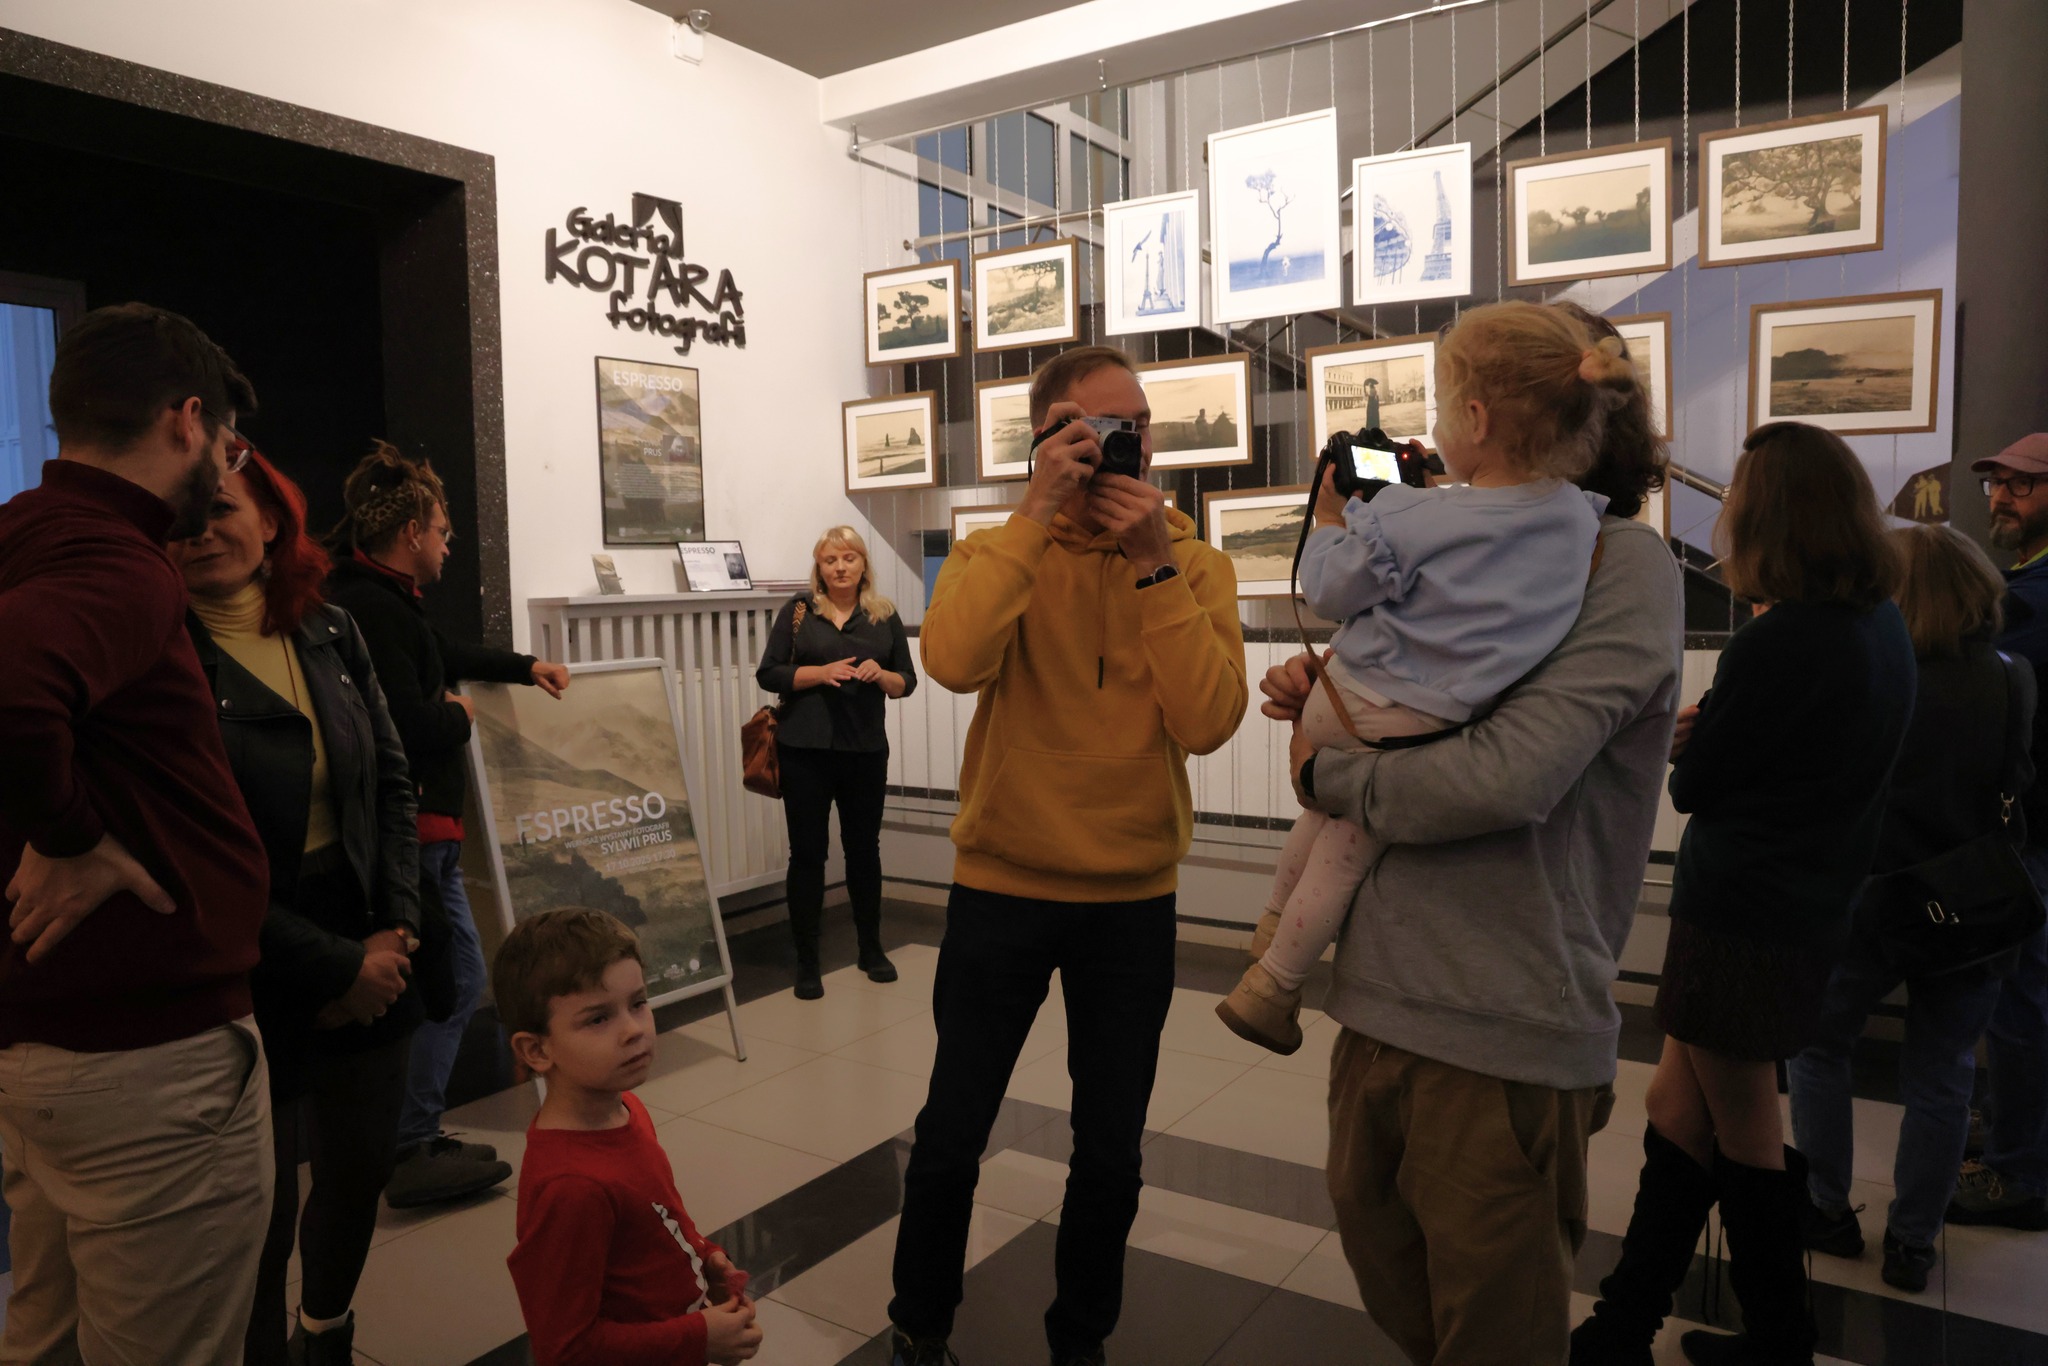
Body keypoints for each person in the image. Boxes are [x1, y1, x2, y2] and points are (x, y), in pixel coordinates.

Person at [1265, 301, 1681, 1366]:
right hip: (1381, 998)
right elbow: (1436, 679)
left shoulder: (1619, 562)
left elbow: (1506, 776)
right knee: (1399, 1286)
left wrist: (1327, 767)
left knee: (1493, 1331)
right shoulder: (1463, 534)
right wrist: (1338, 688)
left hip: (1502, 1017)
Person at [887, 345, 1247, 1366]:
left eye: (1139, 425)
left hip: (1131, 897)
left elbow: (1210, 721)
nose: (1131, 446)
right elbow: (951, 662)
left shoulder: (1194, 563)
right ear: (1047, 438)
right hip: (1001, 882)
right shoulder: (997, 550)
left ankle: (1078, 1341)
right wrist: (1034, 516)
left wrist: (1151, 565)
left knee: (1110, 1151)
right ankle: (919, 1326)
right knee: (951, 1132)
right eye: (1101, 429)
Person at [1575, 421, 1914, 1366]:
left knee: (1747, 1135)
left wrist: (1697, 735)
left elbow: (1695, 786)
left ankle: (1776, 1342)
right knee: (1677, 1113)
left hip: (1739, 919)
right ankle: (1623, 1325)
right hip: (1802, 909)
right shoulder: (1881, 623)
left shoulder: (1780, 639)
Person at [1218, 302, 1628, 1053]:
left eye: (1440, 409)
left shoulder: (1416, 515)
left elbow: (1329, 590)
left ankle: (1271, 959)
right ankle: (1274, 975)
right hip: (1422, 716)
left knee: (1332, 828)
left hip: (1357, 702)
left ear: (1474, 418)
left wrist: (1334, 519)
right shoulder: (1581, 521)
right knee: (1343, 839)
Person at [0, 302, 274, 1362]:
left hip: (58, 1036)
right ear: (186, 420)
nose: (223, 472)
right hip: (145, 1064)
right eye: (228, 447)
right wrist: (70, 834)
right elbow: (12, 695)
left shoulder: (27, 532)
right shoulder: (116, 560)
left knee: (49, 1336)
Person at [170, 451, 424, 1365]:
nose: (198, 532)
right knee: (260, 1207)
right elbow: (188, 857)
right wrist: (337, 967)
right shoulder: (156, 651)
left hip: (363, 922)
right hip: (243, 948)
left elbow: (391, 782)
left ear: (271, 521)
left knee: (358, 1172)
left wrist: (395, 929)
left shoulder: (328, 627)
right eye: (178, 516)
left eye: (218, 509)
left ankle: (326, 1335)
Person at [1788, 524, 2037, 1293]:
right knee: (1943, 1071)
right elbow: (2016, 781)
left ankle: (1827, 1207)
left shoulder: (1867, 675)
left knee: (1818, 1048)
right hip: (1971, 901)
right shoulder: (2012, 676)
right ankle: (1913, 1244)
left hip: (1867, 898)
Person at [325, 441, 569, 1208]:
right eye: (441, 531)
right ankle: (409, 1143)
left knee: (445, 978)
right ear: (411, 535)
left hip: (425, 831)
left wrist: (524, 666)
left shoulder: (379, 599)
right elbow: (403, 722)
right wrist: (457, 715)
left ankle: (405, 1136)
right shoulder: (374, 608)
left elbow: (442, 651)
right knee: (458, 977)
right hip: (417, 832)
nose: (447, 545)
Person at [499, 908, 761, 1366]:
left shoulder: (626, 1109)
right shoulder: (571, 1188)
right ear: (537, 1050)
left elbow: (661, 1216)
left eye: (638, 1003)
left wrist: (705, 1256)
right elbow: (567, 1349)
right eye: (598, 1019)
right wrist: (697, 1338)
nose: (634, 1029)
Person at [754, 525, 918, 998]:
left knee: (864, 850)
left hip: (864, 751)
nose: (841, 567)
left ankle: (871, 949)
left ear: (863, 564)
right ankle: (807, 961)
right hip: (804, 751)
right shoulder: (799, 611)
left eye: (849, 558)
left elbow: (906, 681)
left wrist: (881, 674)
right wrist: (818, 672)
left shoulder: (883, 615)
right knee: (808, 855)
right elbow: (769, 673)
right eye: (831, 560)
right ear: (819, 568)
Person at [1953, 431, 2048, 1229]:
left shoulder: (2036, 599)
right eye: (1997, 485)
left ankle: (2020, 1172)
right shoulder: (2021, 583)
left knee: (2022, 1004)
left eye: (2022, 485)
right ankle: (2012, 1130)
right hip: (2025, 831)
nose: (2002, 498)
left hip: (2034, 835)